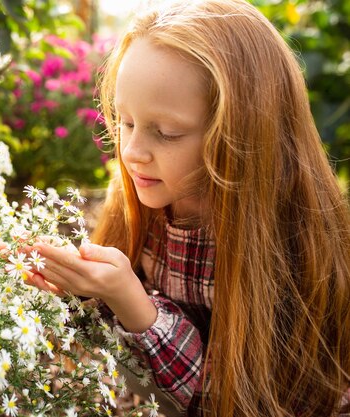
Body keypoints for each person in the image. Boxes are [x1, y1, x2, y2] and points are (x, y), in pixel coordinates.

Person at [20, 0, 350, 415]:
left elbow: (236, 401)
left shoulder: (291, 249)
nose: (133, 152)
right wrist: (77, 288)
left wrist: (134, 303)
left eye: (168, 133)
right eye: (124, 122)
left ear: (242, 134)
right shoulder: (143, 201)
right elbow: (116, 352)